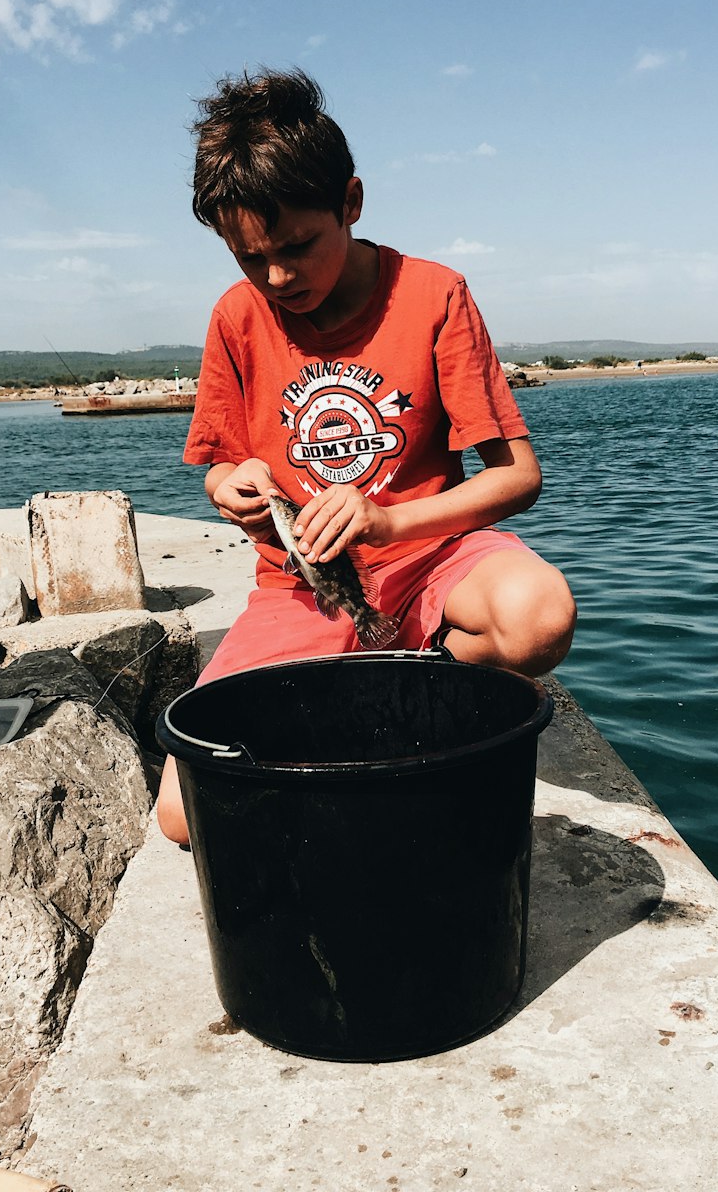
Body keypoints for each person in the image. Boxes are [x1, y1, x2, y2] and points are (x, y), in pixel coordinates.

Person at [157, 69, 575, 843]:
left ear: (350, 202)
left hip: (431, 560)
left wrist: (386, 523)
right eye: (250, 257)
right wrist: (233, 485)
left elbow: (519, 476)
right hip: (302, 588)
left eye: (298, 246)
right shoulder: (236, 317)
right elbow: (219, 464)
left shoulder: (434, 293)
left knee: (537, 617)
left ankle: (430, 662)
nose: (277, 277)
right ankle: (387, 675)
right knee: (187, 816)